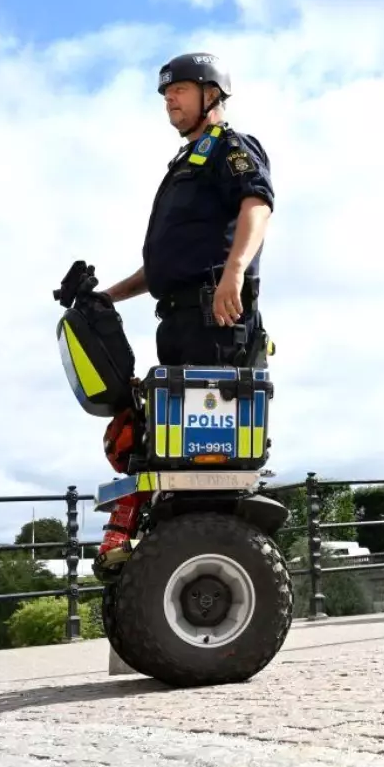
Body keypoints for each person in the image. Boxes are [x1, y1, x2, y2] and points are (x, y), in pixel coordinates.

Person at [94, 52, 276, 568]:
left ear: (211, 94)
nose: (168, 99)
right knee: (156, 435)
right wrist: (110, 295)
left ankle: (205, 542)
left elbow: (256, 205)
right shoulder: (183, 163)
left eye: (180, 89)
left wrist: (234, 272)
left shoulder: (230, 147)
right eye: (165, 92)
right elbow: (165, 262)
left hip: (214, 316)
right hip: (175, 318)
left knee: (204, 445)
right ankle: (136, 536)